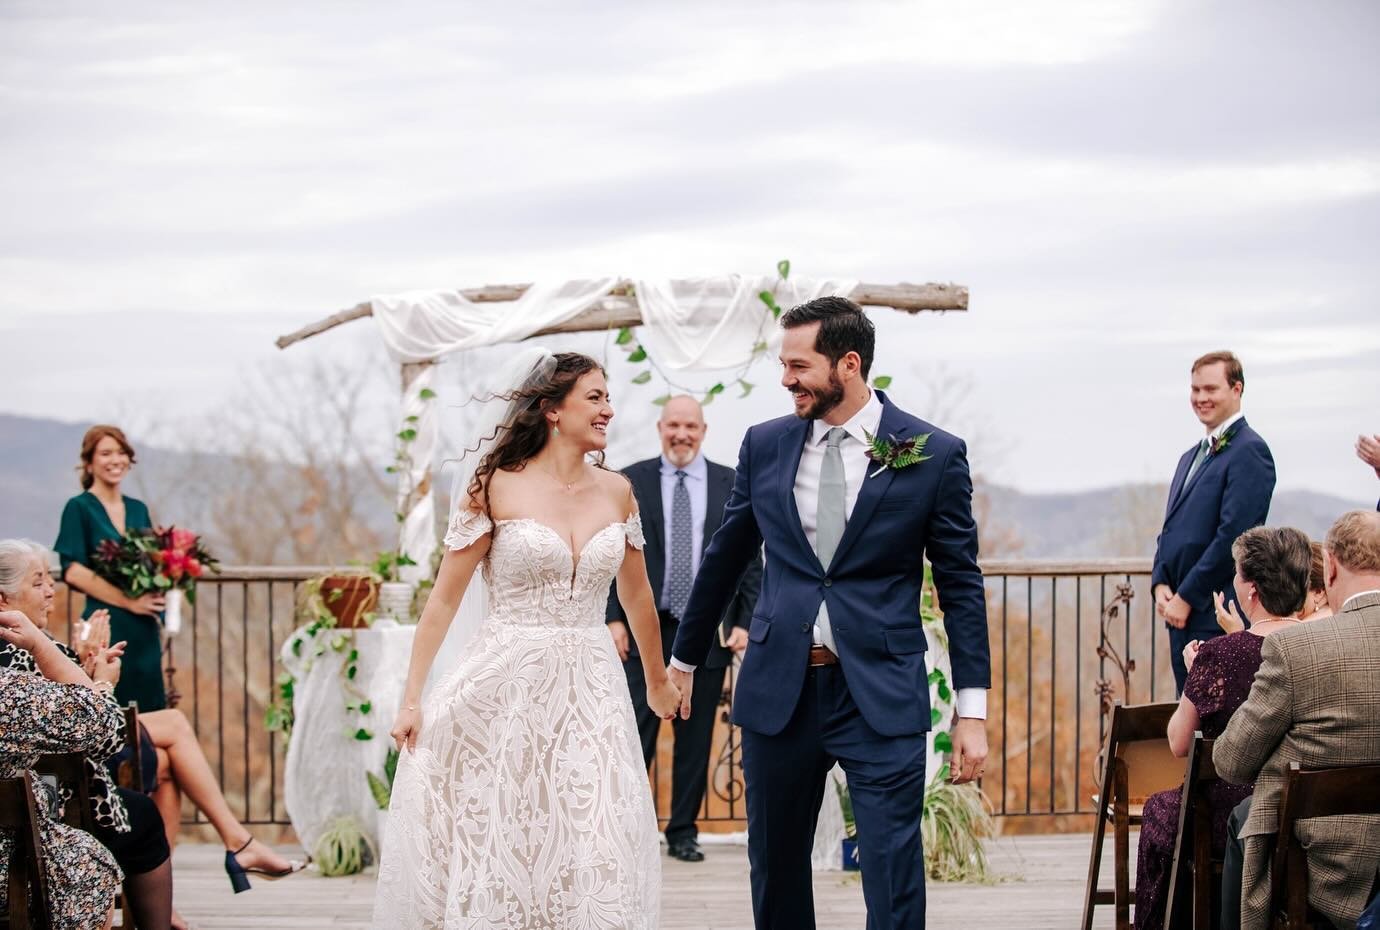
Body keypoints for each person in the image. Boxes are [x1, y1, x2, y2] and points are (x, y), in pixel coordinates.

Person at [668, 297, 991, 930]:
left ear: (848, 363)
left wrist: (972, 711)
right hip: (779, 689)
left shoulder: (933, 452)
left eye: (798, 365)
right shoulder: (765, 445)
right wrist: (682, 659)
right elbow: (724, 558)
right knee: (777, 872)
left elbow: (961, 585)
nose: (786, 379)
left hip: (879, 690)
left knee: (893, 875)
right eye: (783, 365)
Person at [375, 350, 680, 929]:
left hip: (592, 683)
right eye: (595, 398)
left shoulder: (619, 491)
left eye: (608, 398)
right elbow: (443, 600)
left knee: (595, 827)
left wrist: (658, 681)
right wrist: (413, 697)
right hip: (506, 683)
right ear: (551, 410)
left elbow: (638, 599)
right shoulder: (495, 487)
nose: (609, 411)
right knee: (513, 821)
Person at [0, 540, 303, 915]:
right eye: (38, 582)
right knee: (160, 768)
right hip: (54, 802)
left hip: (45, 788)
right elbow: (101, 734)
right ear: (3, 600)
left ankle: (230, 850)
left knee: (165, 761)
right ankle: (230, 849)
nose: (51, 590)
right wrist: (101, 681)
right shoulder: (22, 656)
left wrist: (81, 664)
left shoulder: (28, 655)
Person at [605, 394, 763, 863]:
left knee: (695, 740)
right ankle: (628, 831)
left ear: (703, 431)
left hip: (708, 633)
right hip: (643, 631)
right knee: (637, 733)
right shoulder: (628, 480)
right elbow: (612, 552)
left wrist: (745, 621)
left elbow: (748, 559)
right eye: (674, 425)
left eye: (690, 426)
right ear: (660, 428)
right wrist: (613, 616)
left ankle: (682, 833)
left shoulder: (731, 482)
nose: (682, 434)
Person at [1133, 526, 1312, 929]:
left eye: (1236, 572)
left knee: (1160, 810)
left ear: (1251, 592)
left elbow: (1179, 742)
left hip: (1227, 816)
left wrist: (1198, 676)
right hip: (1304, 811)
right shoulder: (1319, 645)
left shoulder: (1219, 654)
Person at [1216, 510, 1380, 930]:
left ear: (1331, 569)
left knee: (1246, 816)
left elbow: (1231, 761)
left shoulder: (1297, 649)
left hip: (1323, 867)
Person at [1152, 351, 1276, 694]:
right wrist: (1159, 582)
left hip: (1214, 615)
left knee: (1211, 724)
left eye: (1211, 388)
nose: (1201, 398)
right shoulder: (1189, 456)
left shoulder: (1250, 451)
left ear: (1237, 389)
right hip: (1180, 614)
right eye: (1195, 389)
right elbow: (1171, 529)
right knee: (1186, 717)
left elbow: (1232, 537)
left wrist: (1188, 596)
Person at [0, 606, 125, 930]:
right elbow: (103, 729)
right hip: (10, 870)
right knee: (87, 860)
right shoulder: (11, 694)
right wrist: (42, 646)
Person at [54, 425, 168, 711]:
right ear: (89, 462)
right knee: (111, 708)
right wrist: (130, 602)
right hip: (106, 623)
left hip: (144, 629)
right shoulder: (78, 507)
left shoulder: (138, 508)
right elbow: (73, 571)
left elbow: (151, 563)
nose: (115, 460)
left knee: (150, 708)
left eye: (121, 453)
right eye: (105, 453)